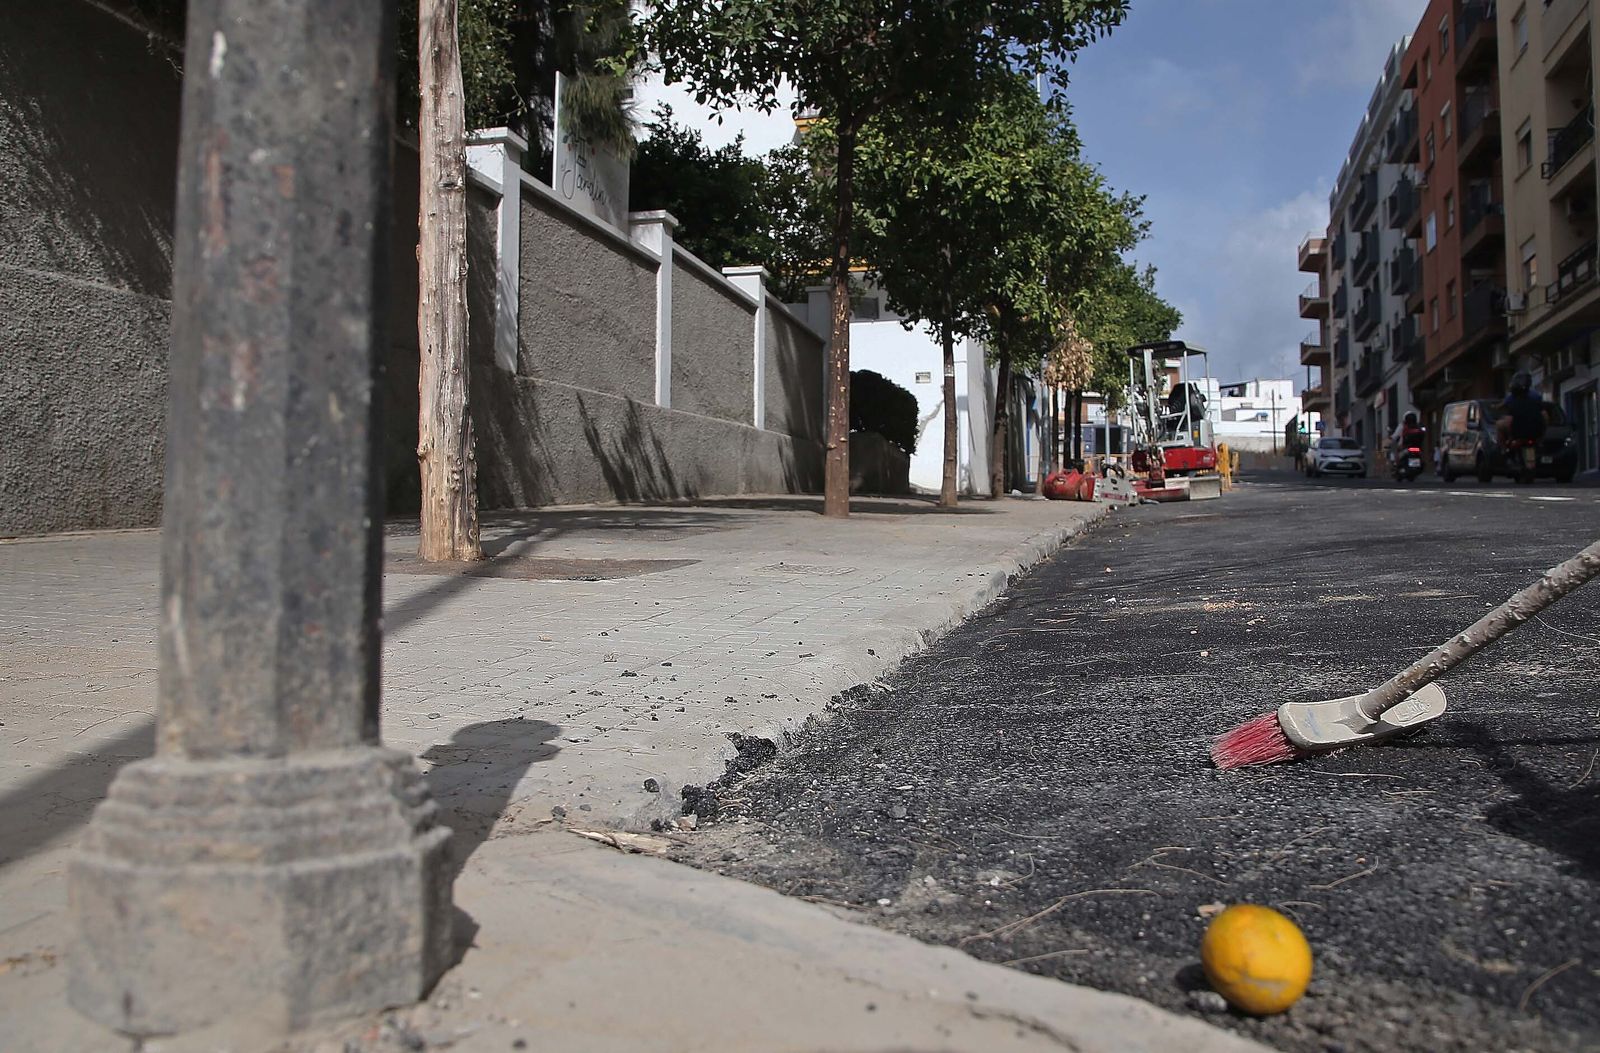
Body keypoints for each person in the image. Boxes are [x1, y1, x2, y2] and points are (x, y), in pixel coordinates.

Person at [1497, 371, 1547, 448]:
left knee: (1499, 424)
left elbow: (1502, 408)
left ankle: (1504, 448)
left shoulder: (1511, 398)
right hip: (1536, 432)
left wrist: (1495, 407)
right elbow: (1545, 416)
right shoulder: (1536, 396)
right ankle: (1540, 440)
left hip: (1518, 431)